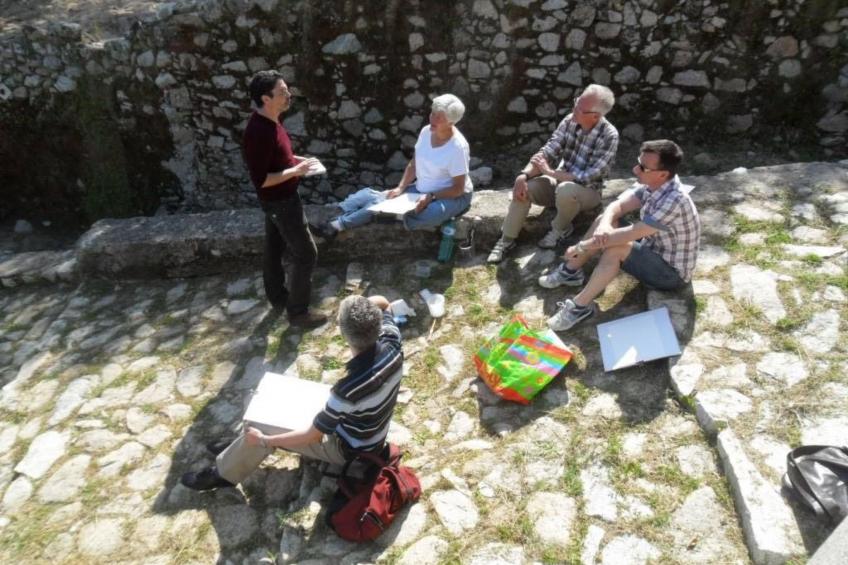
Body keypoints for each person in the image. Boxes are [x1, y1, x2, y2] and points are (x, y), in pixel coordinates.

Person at [180, 294, 404, 491]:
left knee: (261, 426)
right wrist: (363, 309)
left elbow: (311, 436)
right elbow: (384, 302)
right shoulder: (392, 341)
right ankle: (239, 445)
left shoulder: (347, 392)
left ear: (344, 334)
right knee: (282, 396)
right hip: (370, 433)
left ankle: (223, 475)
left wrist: (265, 440)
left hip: (348, 450)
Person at [538, 140, 700, 331]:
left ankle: (579, 306)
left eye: (643, 167)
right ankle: (571, 269)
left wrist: (583, 246)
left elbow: (632, 233)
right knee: (604, 221)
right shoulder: (655, 184)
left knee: (618, 248)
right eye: (638, 162)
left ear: (663, 173)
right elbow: (618, 205)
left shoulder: (674, 200)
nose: (635, 170)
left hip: (671, 274)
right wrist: (605, 226)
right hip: (653, 247)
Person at [487, 84, 619, 263]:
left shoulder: (609, 135)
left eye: (580, 108)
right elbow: (548, 151)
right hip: (559, 182)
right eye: (576, 102)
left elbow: (589, 175)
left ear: (595, 116)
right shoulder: (569, 121)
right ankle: (506, 240)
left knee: (566, 189)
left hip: (588, 192)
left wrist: (551, 173)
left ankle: (560, 229)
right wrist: (523, 175)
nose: (574, 109)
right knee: (525, 189)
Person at [243, 70, 326, 327]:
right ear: (266, 99)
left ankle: (278, 297)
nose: (288, 95)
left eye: (286, 89)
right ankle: (298, 313)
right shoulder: (259, 132)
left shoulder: (272, 121)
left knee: (274, 249)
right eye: (282, 92)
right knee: (306, 254)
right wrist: (296, 171)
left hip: (280, 200)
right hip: (280, 201)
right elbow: (263, 179)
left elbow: (278, 158)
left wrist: (299, 161)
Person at [326, 94, 473, 233]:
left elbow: (458, 189)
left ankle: (351, 220)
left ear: (451, 122)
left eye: (439, 117)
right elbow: (414, 164)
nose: (432, 119)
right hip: (422, 189)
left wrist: (431, 197)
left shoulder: (458, 147)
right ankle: (345, 220)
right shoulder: (426, 132)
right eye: (432, 113)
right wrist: (401, 187)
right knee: (392, 199)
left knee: (430, 214)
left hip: (452, 196)